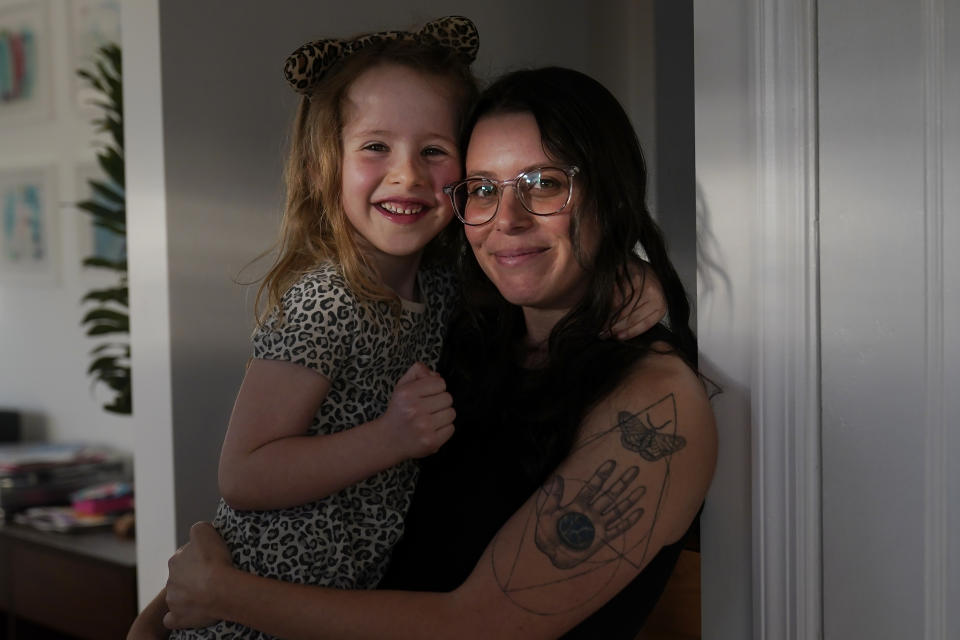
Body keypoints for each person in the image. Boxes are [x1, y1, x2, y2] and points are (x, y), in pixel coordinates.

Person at [129, 19, 666, 640]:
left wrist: (630, 272)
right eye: (375, 146)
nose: (407, 175)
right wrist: (391, 437)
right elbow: (241, 477)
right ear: (325, 164)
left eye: (434, 151)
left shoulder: (444, 287)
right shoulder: (325, 302)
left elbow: (544, 255)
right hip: (257, 615)